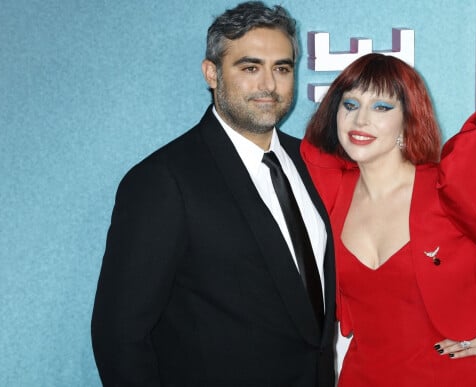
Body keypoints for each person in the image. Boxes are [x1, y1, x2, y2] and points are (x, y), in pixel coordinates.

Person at [91, 2, 336, 386]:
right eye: (250, 67)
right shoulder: (164, 180)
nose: (268, 85)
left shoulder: (310, 163)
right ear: (212, 73)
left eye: (282, 68)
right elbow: (119, 334)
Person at [301, 53, 476, 386]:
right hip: (359, 378)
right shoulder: (330, 191)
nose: (360, 120)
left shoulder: (451, 190)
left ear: (409, 119)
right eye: (350, 104)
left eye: (381, 107)